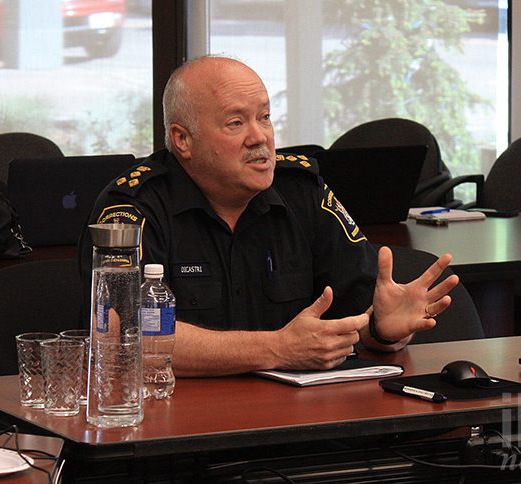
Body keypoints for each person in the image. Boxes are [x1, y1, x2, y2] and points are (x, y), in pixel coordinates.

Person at [79, 55, 459, 377]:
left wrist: (384, 330)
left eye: (264, 117)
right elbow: (119, 334)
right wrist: (277, 348)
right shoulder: (133, 209)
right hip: (179, 424)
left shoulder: (303, 193)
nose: (259, 137)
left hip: (298, 418)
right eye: (236, 123)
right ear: (183, 140)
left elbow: (364, 316)